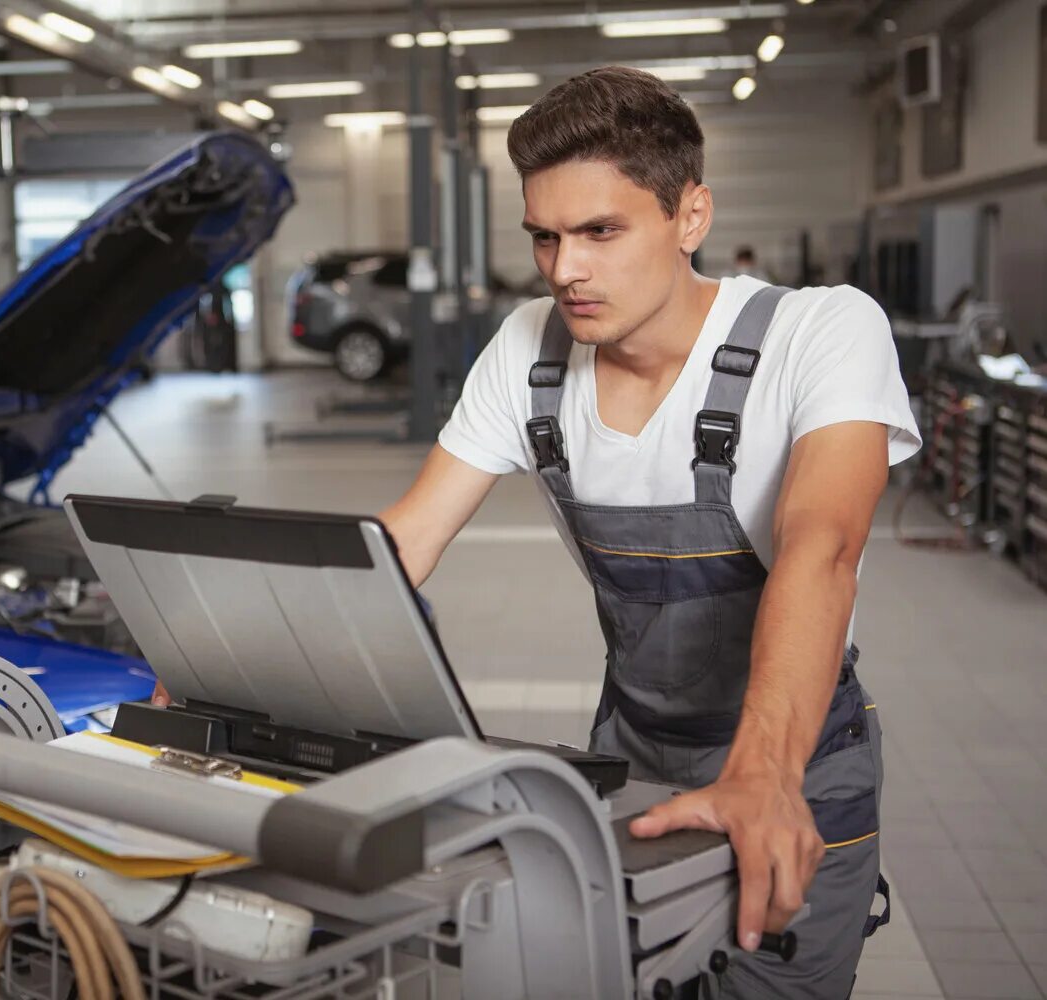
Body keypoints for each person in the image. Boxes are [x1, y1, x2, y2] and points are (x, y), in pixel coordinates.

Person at [374, 67, 919, 997]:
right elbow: (401, 543)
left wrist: (763, 778)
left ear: (690, 216)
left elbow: (821, 548)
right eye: (544, 236)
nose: (564, 270)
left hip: (793, 761)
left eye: (600, 231)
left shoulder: (820, 332)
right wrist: (241, 639)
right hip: (630, 761)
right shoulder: (526, 350)